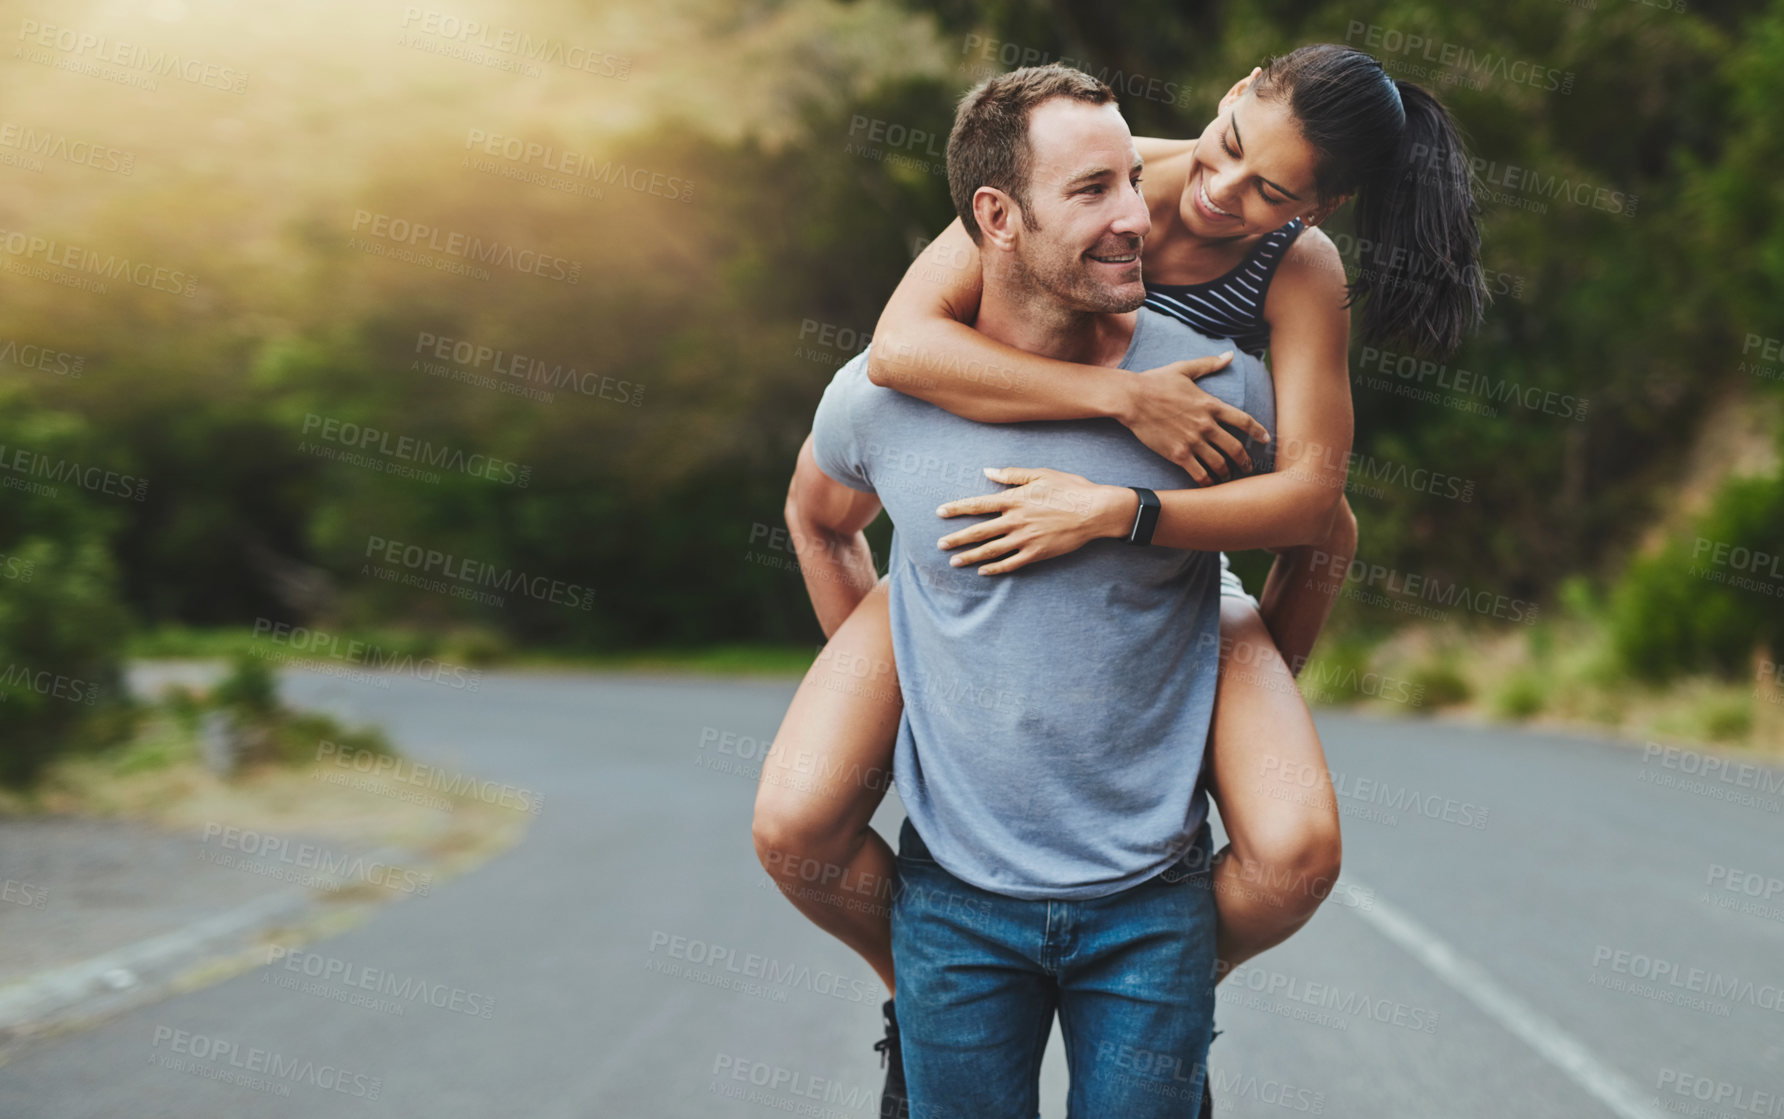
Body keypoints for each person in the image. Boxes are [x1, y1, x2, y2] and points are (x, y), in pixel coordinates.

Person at [757, 45, 1484, 1119]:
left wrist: (1149, 554)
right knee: (794, 818)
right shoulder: (1101, 171)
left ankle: (1153, 987)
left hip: (1182, 531)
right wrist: (1120, 404)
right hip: (1050, 450)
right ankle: (924, 990)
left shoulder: (1300, 270)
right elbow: (902, 353)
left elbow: (1314, 506)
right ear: (1231, 87)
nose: (1213, 193)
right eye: (1227, 148)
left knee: (1293, 845)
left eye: (1270, 193)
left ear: (1320, 204)